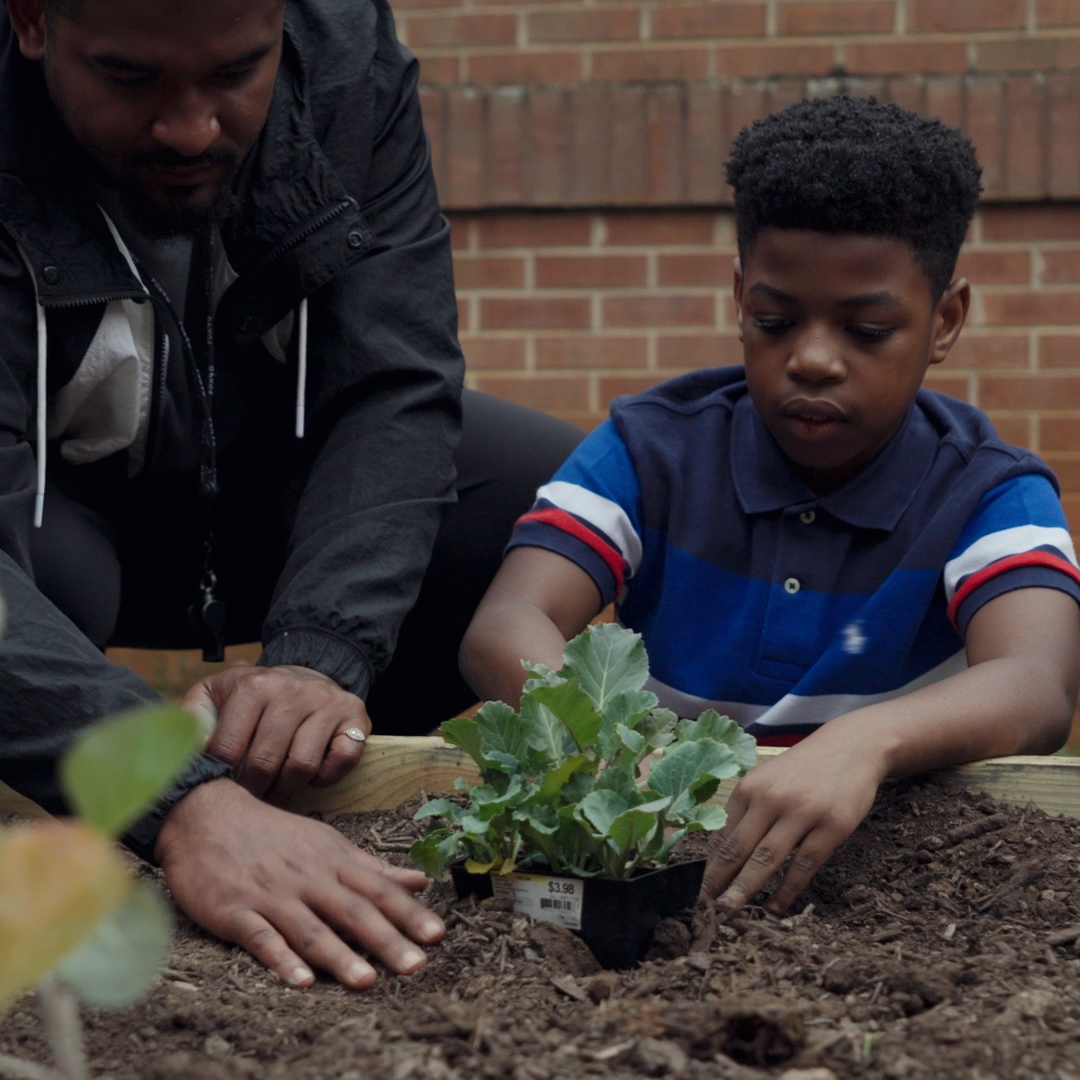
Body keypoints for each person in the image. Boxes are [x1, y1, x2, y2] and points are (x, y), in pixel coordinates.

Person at [0, 0, 580, 989]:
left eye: (235, 71)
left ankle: (334, 796)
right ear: (32, 23)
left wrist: (322, 656)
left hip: (262, 508)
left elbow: (396, 380)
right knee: (52, 578)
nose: (190, 127)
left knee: (531, 493)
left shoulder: (349, 63)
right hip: (54, 529)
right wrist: (185, 805)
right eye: (132, 79)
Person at [459, 97, 1080, 916]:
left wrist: (860, 742)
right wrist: (617, 752)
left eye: (866, 330)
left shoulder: (987, 492)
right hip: (658, 856)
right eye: (775, 321)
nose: (814, 359)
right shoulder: (651, 450)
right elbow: (505, 626)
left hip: (889, 873)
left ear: (944, 320)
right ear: (739, 298)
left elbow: (1037, 685)